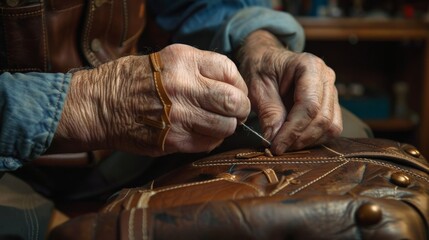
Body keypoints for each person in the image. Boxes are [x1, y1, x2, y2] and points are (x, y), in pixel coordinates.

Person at [0, 0, 371, 238]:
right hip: (14, 168)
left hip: (128, 149)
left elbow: (198, 6)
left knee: (340, 140)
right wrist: (88, 103)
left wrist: (259, 45)